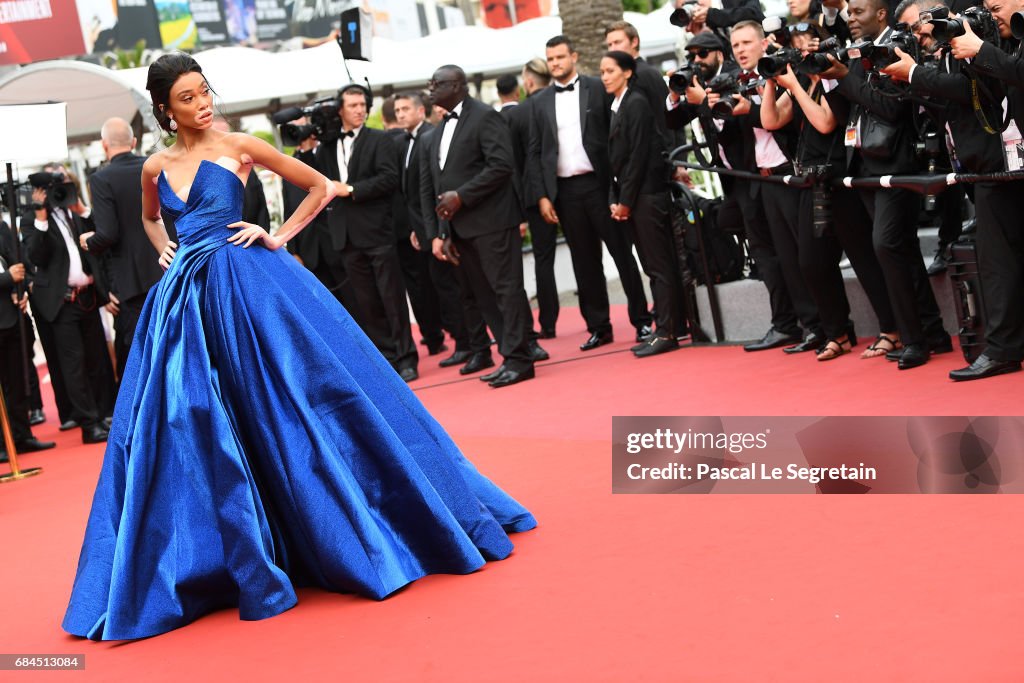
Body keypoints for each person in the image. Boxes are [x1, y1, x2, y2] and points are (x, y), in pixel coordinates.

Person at [62, 53, 536, 641]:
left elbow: (320, 186)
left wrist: (276, 235)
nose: (202, 103)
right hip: (187, 300)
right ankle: (225, 549)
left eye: (204, 90)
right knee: (193, 423)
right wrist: (167, 248)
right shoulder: (154, 165)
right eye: (188, 98)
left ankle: (330, 526)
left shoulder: (239, 146)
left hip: (248, 285)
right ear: (164, 109)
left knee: (290, 398)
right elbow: (151, 219)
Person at [600, 51, 684, 357]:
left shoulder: (635, 103)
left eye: (610, 70)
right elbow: (616, 162)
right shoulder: (618, 105)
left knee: (659, 266)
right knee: (651, 266)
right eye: (602, 71)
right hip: (634, 196)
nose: (605, 76)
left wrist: (624, 201)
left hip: (647, 195)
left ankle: (669, 331)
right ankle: (663, 328)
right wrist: (615, 199)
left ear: (627, 72)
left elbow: (637, 158)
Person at [79, 117, 164, 384]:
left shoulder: (101, 179)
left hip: (132, 282)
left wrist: (88, 241)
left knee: (139, 354)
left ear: (104, 146)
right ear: (134, 142)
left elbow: (108, 233)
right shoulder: (155, 167)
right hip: (167, 266)